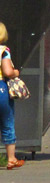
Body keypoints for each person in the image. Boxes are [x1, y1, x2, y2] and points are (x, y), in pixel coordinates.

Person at [0, 22, 23, 169]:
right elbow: (8, 72)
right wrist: (16, 73)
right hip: (1, 89)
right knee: (7, 123)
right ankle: (11, 159)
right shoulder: (3, 51)